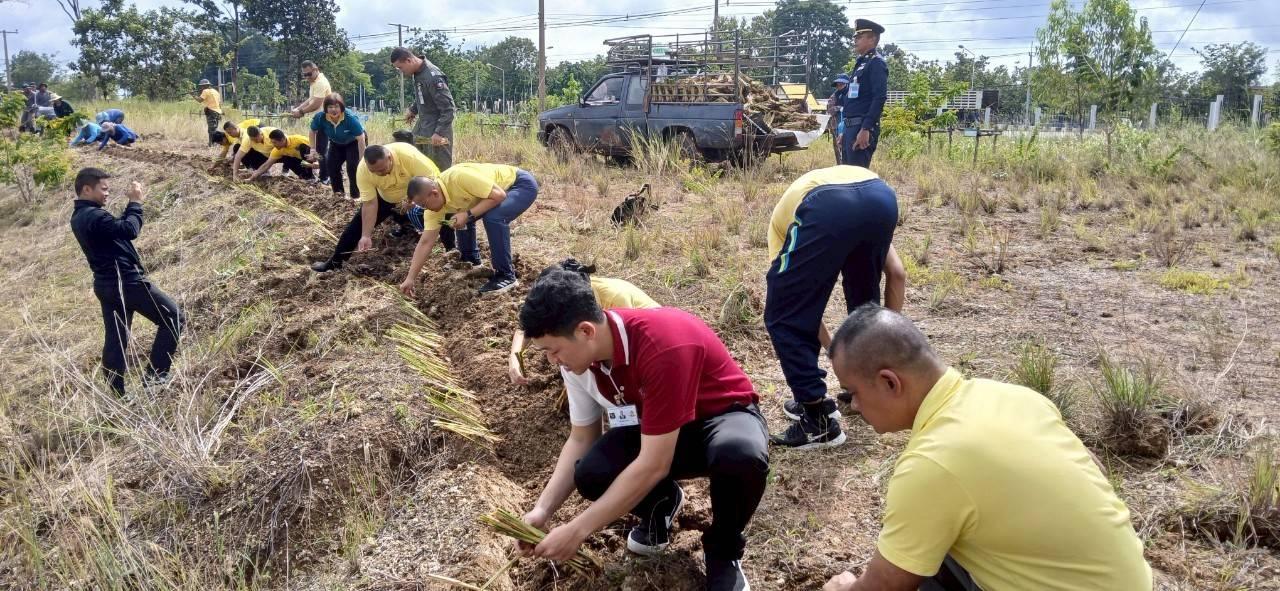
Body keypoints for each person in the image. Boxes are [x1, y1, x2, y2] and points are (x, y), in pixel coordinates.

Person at [819, 304, 1152, 591]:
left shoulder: (932, 463)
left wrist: (847, 586)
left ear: (890, 382)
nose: (854, 407)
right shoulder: (1015, 397)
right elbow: (1095, 469)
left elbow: (884, 588)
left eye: (852, 394)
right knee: (939, 543)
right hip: (1132, 580)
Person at [515, 271, 767, 591]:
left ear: (585, 331)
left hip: (720, 419)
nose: (553, 361)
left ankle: (723, 551)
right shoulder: (580, 360)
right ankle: (661, 505)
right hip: (658, 427)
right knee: (592, 472)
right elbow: (581, 437)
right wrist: (542, 510)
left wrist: (578, 530)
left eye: (553, 350)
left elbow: (653, 464)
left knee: (740, 456)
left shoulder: (661, 346)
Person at [764, 166, 906, 449]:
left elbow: (794, 309)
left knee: (782, 311)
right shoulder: (865, 207)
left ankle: (817, 419)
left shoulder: (781, 229)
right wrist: (886, 352)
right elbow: (897, 274)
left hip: (825, 205)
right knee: (864, 303)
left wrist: (834, 355)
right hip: (881, 197)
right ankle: (869, 391)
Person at [69, 167, 184, 396]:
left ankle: (118, 394)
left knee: (116, 339)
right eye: (103, 189)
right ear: (86, 189)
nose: (107, 194)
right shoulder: (94, 215)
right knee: (173, 316)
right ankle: (155, 377)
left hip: (105, 285)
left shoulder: (81, 216)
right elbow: (130, 229)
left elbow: (116, 230)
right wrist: (135, 203)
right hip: (126, 282)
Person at [509, 258, 659, 385]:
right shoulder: (560, 297)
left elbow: (625, 348)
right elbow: (530, 327)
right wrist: (514, 359)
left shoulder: (613, 298)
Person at [399, 162, 539, 295]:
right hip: (493, 194)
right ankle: (471, 260)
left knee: (493, 218)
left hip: (519, 185)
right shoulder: (433, 208)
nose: (425, 209)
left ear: (434, 193)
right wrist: (410, 278)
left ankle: (506, 276)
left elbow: (499, 195)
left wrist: (468, 214)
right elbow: (425, 242)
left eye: (424, 204)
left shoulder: (458, 178)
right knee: (458, 217)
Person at [309, 143, 439, 273]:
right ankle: (335, 263)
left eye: (382, 170)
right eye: (374, 171)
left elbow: (433, 184)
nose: (378, 173)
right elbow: (370, 203)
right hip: (387, 196)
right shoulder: (363, 170)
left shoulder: (409, 157)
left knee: (434, 216)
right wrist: (366, 235)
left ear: (390, 157)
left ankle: (448, 251)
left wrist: (413, 200)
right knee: (356, 227)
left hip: (417, 195)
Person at [390, 46, 458, 251]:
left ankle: (449, 241)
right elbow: (423, 97)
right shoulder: (417, 74)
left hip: (437, 138)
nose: (401, 72)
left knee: (440, 183)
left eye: (401, 68)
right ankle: (416, 225)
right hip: (422, 132)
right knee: (419, 178)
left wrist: (439, 132)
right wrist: (413, 109)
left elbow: (449, 109)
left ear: (409, 60)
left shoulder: (433, 76)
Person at [840, 19, 889, 168]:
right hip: (851, 128)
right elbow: (853, 102)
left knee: (857, 178)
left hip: (862, 128)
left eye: (859, 37)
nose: (855, 40)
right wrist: (845, 131)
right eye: (855, 37)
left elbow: (879, 97)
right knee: (847, 177)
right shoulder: (861, 63)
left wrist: (866, 128)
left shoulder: (876, 63)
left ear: (872, 39)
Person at [310, 93, 367, 199]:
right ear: (326, 108)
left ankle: (356, 197)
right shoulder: (321, 117)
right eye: (330, 107)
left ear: (341, 107)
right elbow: (312, 131)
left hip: (354, 142)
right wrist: (312, 149)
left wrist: (362, 159)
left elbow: (361, 138)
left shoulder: (350, 118)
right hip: (336, 143)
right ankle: (339, 195)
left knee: (353, 168)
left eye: (336, 106)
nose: (333, 110)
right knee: (331, 166)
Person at [289, 60, 332, 184]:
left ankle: (325, 177)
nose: (307, 77)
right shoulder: (314, 82)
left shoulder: (320, 83)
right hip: (318, 120)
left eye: (308, 74)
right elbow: (311, 99)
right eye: (304, 75)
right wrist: (298, 108)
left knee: (321, 150)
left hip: (324, 120)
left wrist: (301, 112)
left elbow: (316, 104)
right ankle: (325, 175)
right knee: (320, 150)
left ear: (315, 69)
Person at [245, 130, 319, 181]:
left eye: (275, 142)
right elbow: (266, 165)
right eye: (272, 142)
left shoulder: (298, 140)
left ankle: (313, 176)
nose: (273, 145)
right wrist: (253, 177)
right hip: (303, 162)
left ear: (283, 139)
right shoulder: (277, 150)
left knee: (303, 147)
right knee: (286, 158)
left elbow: (318, 152)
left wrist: (319, 163)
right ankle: (306, 177)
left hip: (315, 159)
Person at [828, 75, 849, 165]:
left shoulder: (853, 94)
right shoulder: (834, 96)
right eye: (838, 84)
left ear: (846, 84)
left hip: (851, 125)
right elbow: (829, 110)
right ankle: (840, 165)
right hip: (837, 125)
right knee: (838, 147)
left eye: (842, 84)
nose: (839, 86)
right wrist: (839, 108)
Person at [194, 79, 222, 146]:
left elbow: (200, 100)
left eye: (202, 86)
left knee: (211, 129)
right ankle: (214, 143)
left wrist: (193, 95)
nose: (201, 88)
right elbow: (219, 103)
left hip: (211, 111)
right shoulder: (216, 92)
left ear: (205, 86)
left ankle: (211, 143)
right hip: (217, 111)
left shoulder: (205, 91)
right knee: (214, 128)